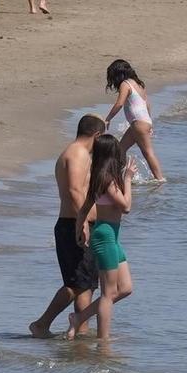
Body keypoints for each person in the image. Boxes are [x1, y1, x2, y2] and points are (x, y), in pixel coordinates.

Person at [29, 115, 104, 338]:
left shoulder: (73, 152)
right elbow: (74, 190)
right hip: (74, 224)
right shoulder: (78, 153)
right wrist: (83, 223)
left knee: (85, 284)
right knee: (75, 283)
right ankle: (41, 324)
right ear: (97, 135)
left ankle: (81, 332)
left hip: (76, 223)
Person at [66, 134, 133, 341]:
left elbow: (85, 207)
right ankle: (103, 342)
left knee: (125, 288)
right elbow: (126, 207)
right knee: (107, 294)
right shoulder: (108, 180)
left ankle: (79, 318)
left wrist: (80, 228)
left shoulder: (99, 177)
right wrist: (128, 178)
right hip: (105, 237)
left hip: (110, 236)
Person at [104, 58, 165, 182]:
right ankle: (119, 176)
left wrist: (108, 118)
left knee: (147, 152)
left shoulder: (125, 84)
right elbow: (147, 104)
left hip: (138, 123)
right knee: (120, 150)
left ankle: (160, 180)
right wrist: (150, 124)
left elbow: (119, 104)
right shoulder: (139, 85)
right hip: (142, 122)